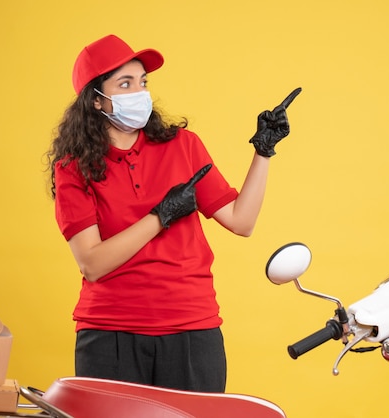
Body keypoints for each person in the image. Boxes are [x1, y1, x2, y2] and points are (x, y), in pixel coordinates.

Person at [47, 34, 301, 393]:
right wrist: (160, 216)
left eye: (143, 82)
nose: (140, 92)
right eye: (125, 83)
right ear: (97, 101)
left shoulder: (183, 146)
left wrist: (264, 151)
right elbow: (92, 263)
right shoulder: (73, 168)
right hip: (110, 334)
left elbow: (241, 222)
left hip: (191, 328)